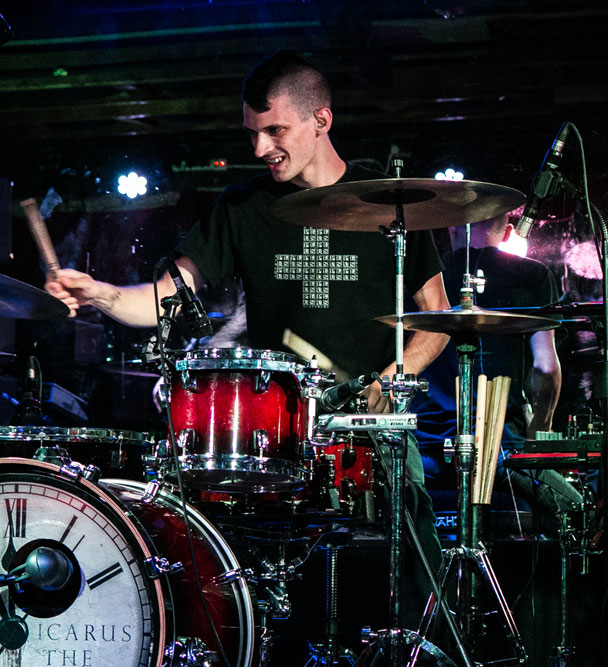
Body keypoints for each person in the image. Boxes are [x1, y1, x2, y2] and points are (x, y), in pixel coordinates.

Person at [45, 51, 450, 625]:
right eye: (253, 133)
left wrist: (392, 380)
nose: (261, 148)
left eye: (275, 130)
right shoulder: (241, 209)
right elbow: (167, 297)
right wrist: (102, 294)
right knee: (255, 593)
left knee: (409, 586)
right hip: (272, 434)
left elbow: (436, 317)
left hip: (371, 430)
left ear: (321, 120)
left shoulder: (390, 203)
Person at [414, 214, 581, 533]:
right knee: (578, 514)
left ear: (451, 228)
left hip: (428, 450)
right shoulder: (532, 274)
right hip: (499, 448)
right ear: (507, 232)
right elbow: (545, 367)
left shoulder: (425, 277)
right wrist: (537, 431)